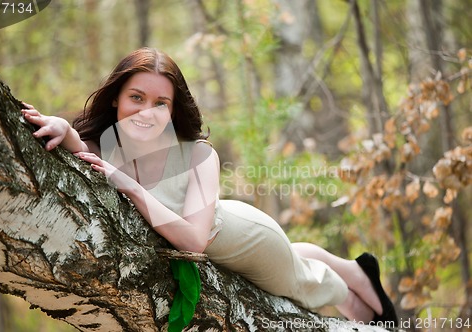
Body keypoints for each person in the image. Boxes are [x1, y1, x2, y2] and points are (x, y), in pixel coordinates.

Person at [21, 47, 397, 326]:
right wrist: (64, 127)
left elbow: (194, 243)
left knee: (304, 284)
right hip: (233, 226)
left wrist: (130, 187)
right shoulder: (112, 144)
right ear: (117, 96)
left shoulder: (199, 155)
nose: (145, 111)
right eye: (136, 97)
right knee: (297, 258)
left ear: (172, 111)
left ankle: (353, 291)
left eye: (160, 103)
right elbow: (81, 149)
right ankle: (353, 268)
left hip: (249, 239)